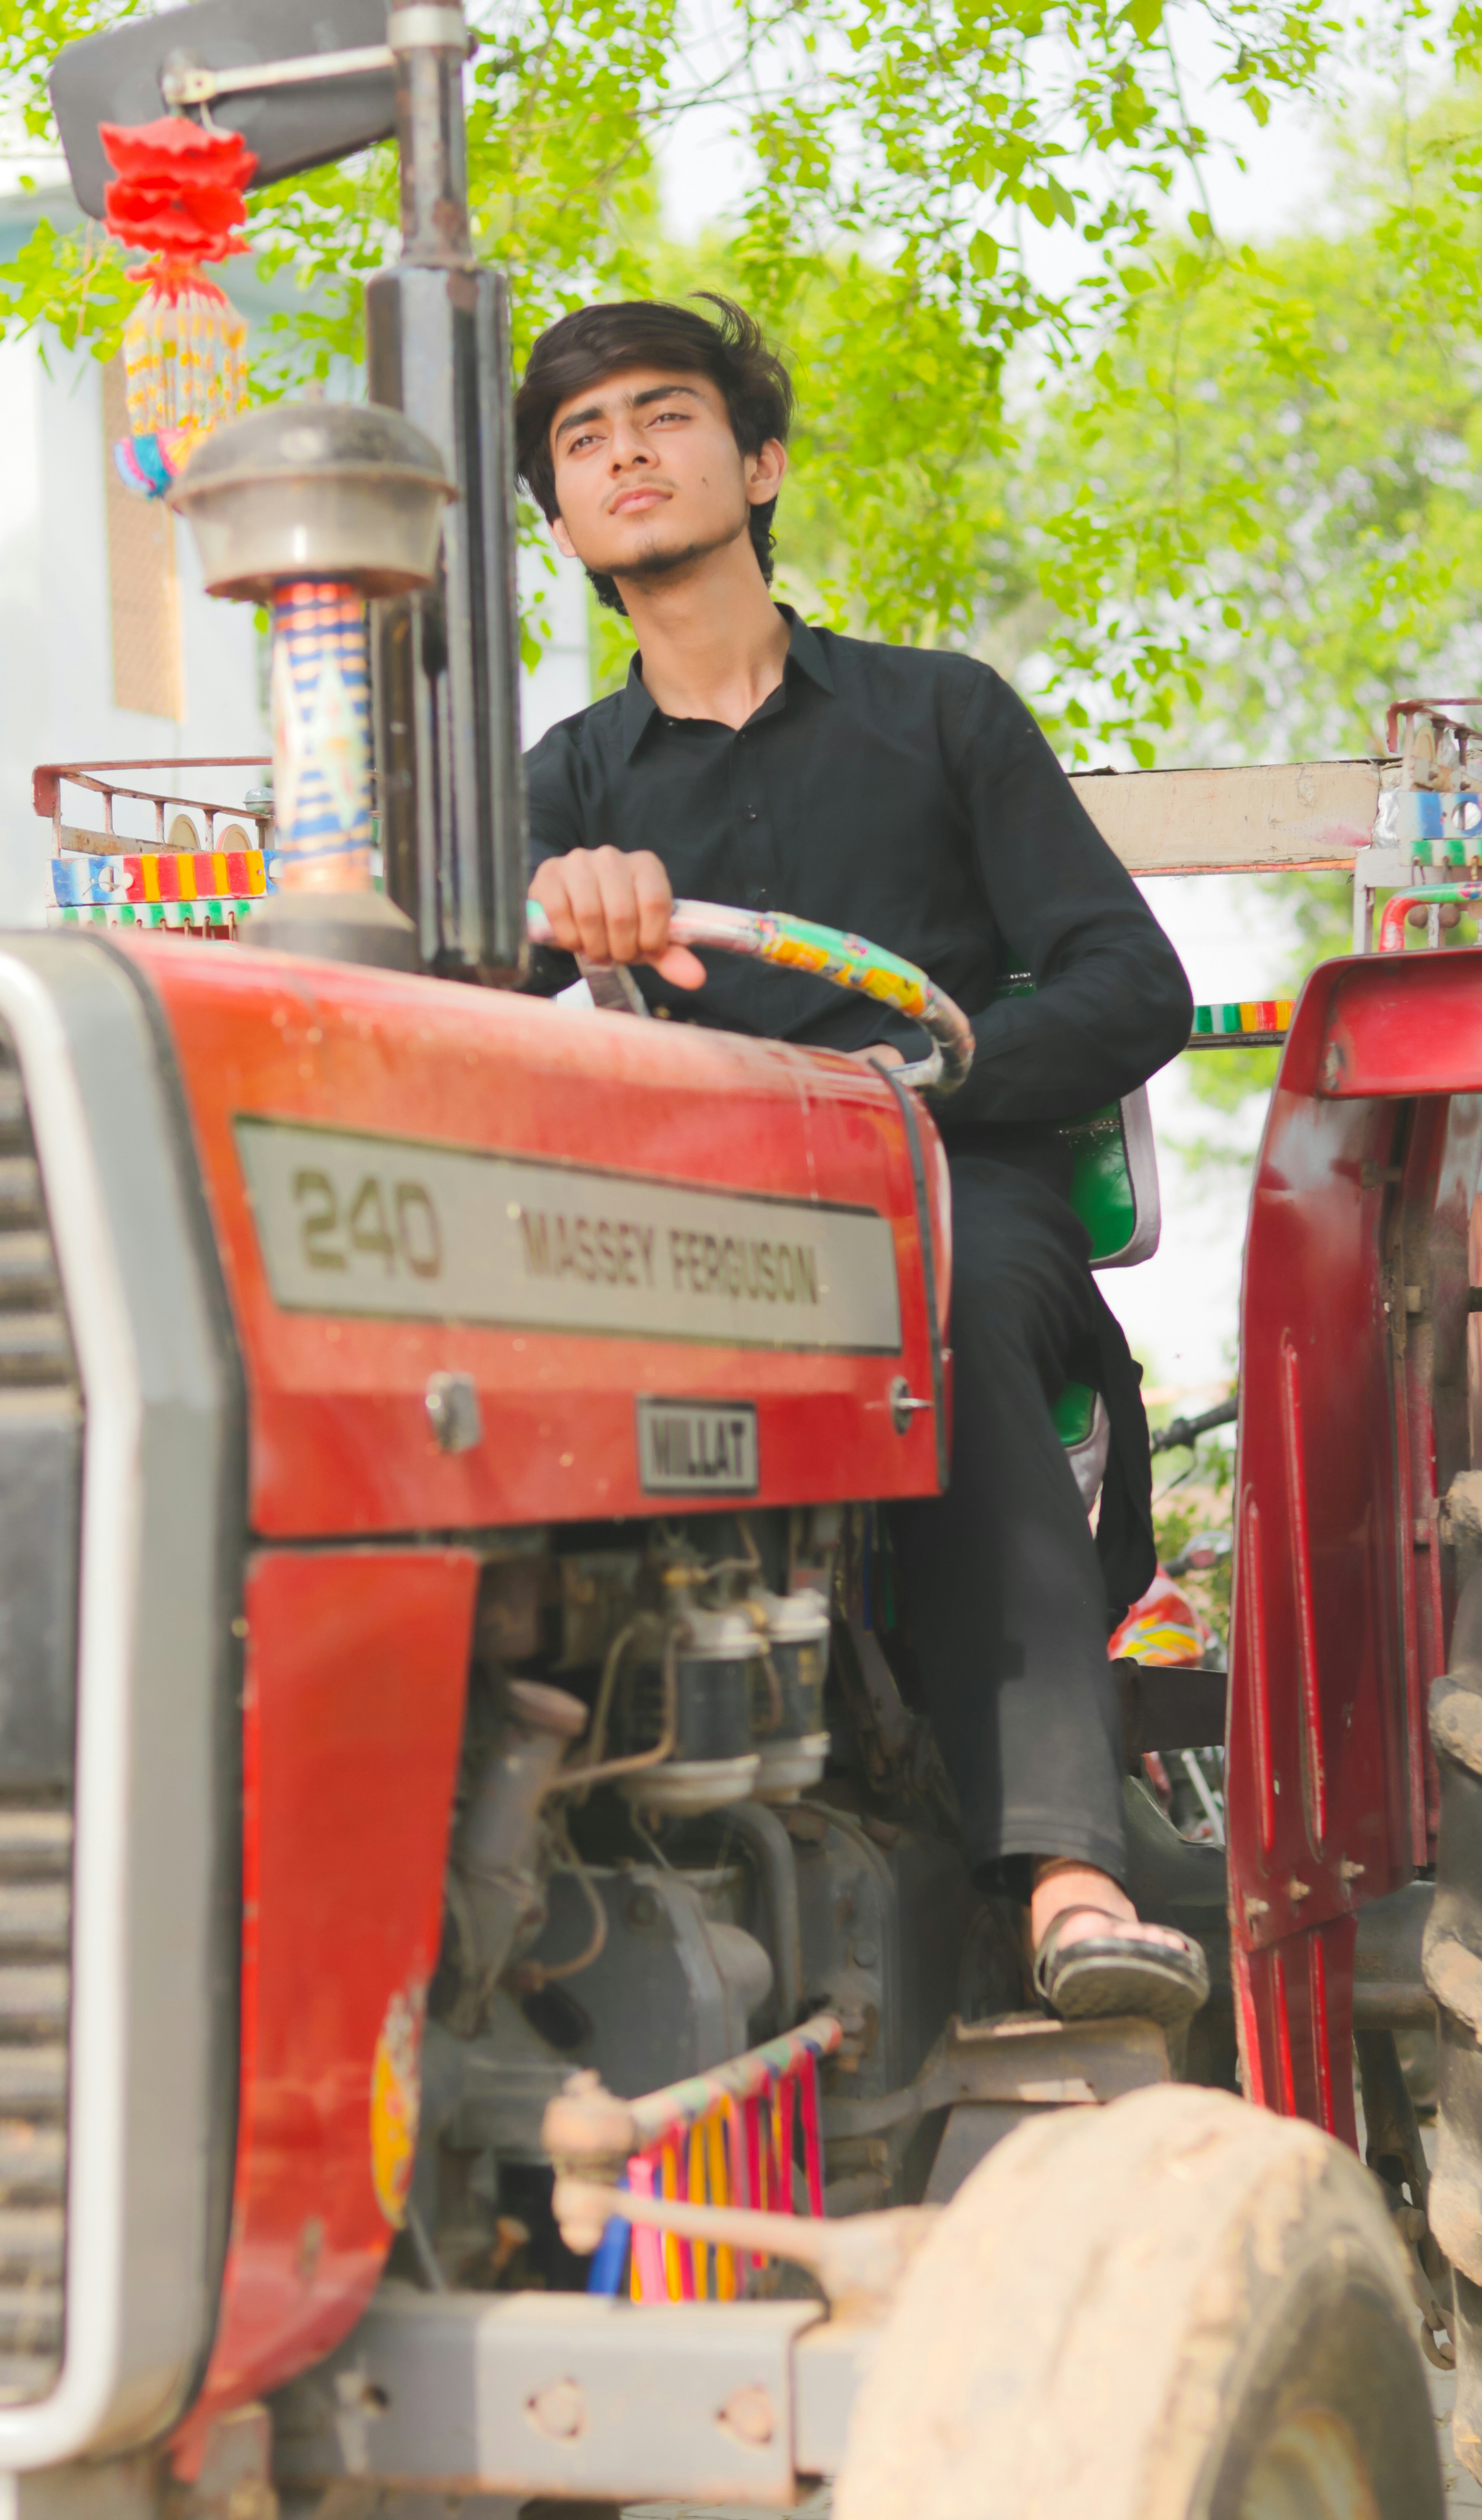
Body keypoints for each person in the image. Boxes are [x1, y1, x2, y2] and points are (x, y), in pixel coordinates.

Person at [516, 294, 1205, 2025]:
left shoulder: (945, 717)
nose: (624, 456)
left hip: (947, 1182)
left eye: (662, 417)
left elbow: (1132, 981)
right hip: (687, 1223)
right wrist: (546, 938)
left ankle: (1066, 1865)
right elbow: (488, 1031)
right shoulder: (558, 793)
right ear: (561, 520)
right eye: (582, 442)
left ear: (755, 464)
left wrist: (935, 1076)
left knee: (943, 1305)